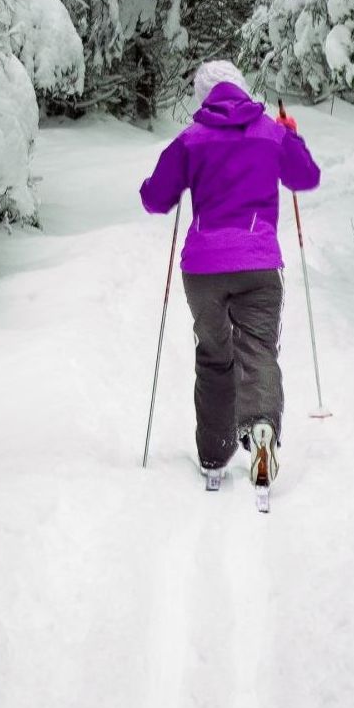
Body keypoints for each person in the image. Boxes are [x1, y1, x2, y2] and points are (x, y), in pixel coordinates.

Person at [139, 61, 321, 490]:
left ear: (205, 97)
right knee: (258, 351)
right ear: (241, 89)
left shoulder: (191, 139)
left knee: (215, 356)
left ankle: (214, 455)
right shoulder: (270, 132)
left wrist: (166, 181)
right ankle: (261, 430)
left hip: (203, 269)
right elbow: (305, 176)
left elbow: (154, 199)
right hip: (258, 264)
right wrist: (291, 135)